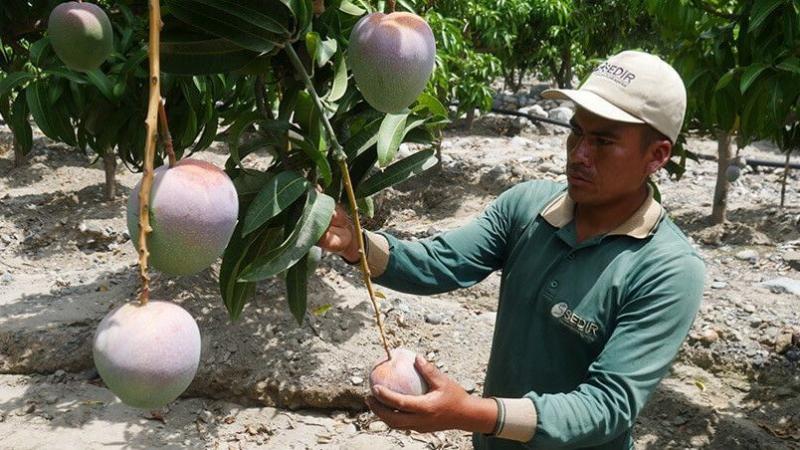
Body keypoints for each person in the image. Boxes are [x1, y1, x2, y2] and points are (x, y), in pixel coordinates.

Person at [317, 50, 705, 449]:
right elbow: (440, 262)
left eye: (603, 142)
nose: (579, 154)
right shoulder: (527, 206)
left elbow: (606, 406)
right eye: (576, 132)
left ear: (657, 155)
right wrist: (356, 243)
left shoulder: (668, 269)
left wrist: (470, 413)